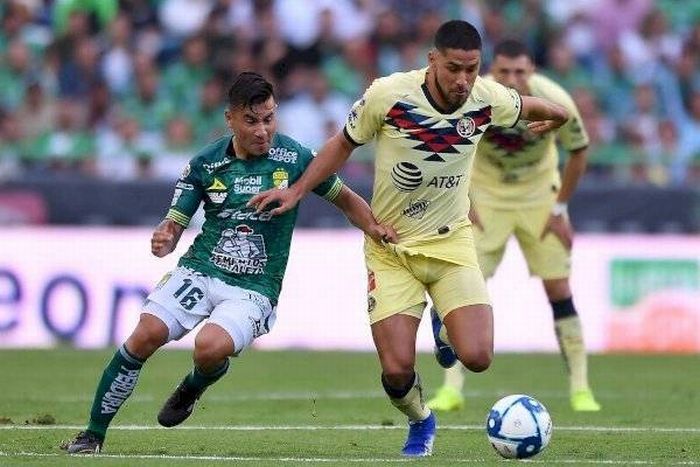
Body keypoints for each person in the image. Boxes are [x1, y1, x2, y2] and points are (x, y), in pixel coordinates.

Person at [248, 21, 570, 457]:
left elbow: (552, 110)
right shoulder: (389, 94)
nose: (462, 80)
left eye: (472, 70)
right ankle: (422, 421)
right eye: (454, 68)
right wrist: (296, 191)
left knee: (477, 357)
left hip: (451, 243)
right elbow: (341, 145)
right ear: (432, 60)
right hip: (391, 247)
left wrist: (555, 121)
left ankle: (445, 324)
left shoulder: (487, 98)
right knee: (397, 372)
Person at [61, 71, 395, 454]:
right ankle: (92, 435)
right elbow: (174, 224)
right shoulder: (204, 164)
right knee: (144, 335)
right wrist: (165, 237)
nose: (262, 130)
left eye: (269, 118)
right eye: (251, 121)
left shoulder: (298, 158)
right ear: (230, 119)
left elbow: (346, 198)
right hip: (201, 270)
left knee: (209, 348)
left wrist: (374, 227)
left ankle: (193, 386)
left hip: (254, 288)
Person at [426, 39, 601, 413]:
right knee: (464, 288)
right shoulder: (475, 96)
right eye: (504, 71)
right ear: (493, 71)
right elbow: (447, 148)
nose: (512, 78)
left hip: (539, 197)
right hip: (485, 198)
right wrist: (464, 200)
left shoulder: (555, 100)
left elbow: (580, 149)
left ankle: (581, 389)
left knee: (559, 288)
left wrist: (560, 209)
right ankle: (452, 388)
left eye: (520, 71)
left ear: (532, 71)